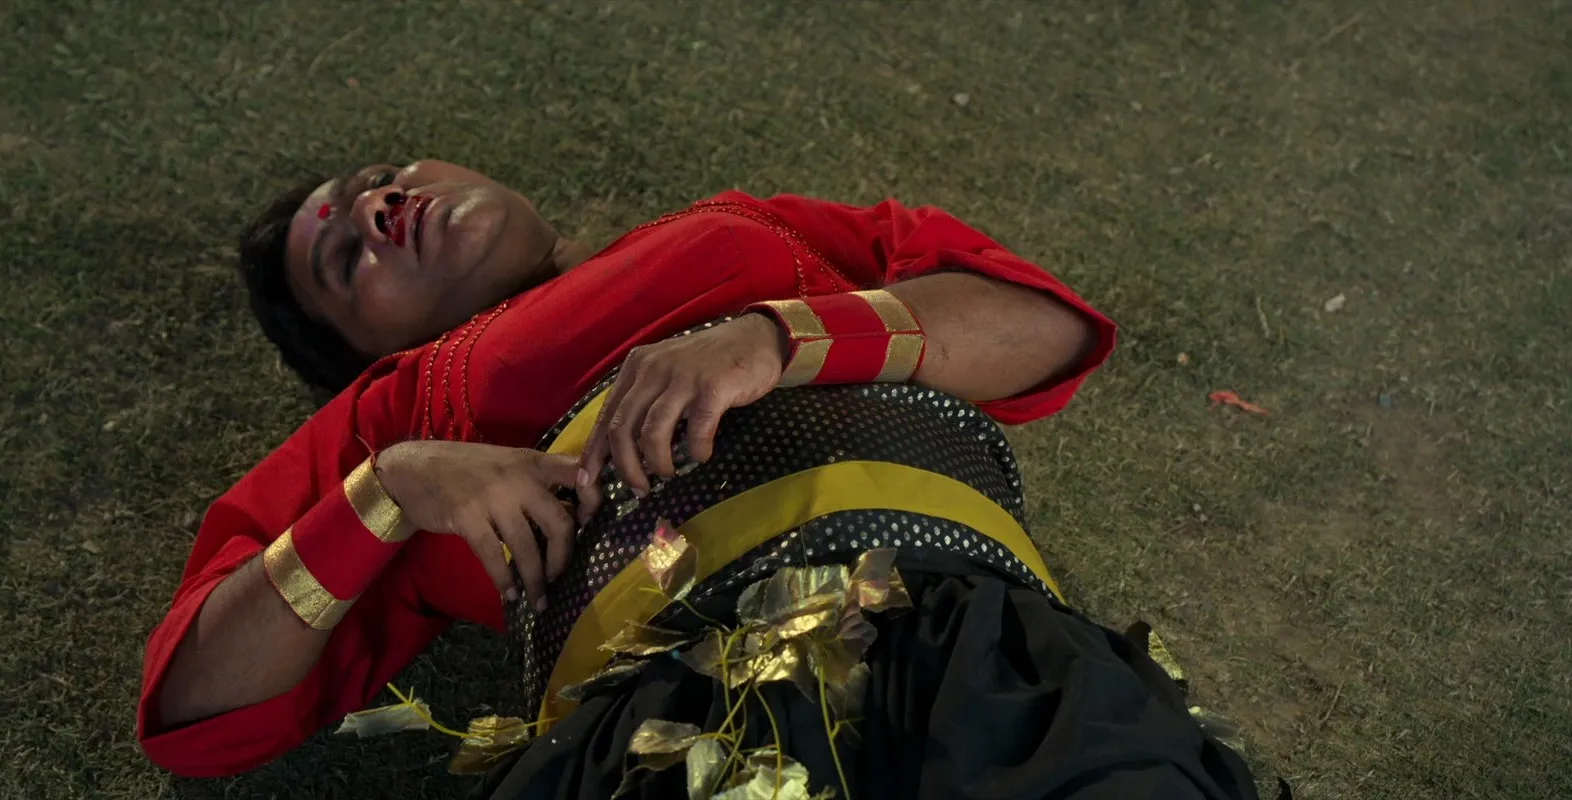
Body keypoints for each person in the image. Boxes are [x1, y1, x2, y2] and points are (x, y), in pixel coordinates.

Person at [137, 160, 1121, 780]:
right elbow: (193, 710)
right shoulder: (393, 413)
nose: (381, 208)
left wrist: (778, 338)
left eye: (381, 179)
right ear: (363, 353)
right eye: (346, 259)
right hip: (679, 737)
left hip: (962, 622)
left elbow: (1048, 326)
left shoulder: (746, 221)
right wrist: (388, 489)